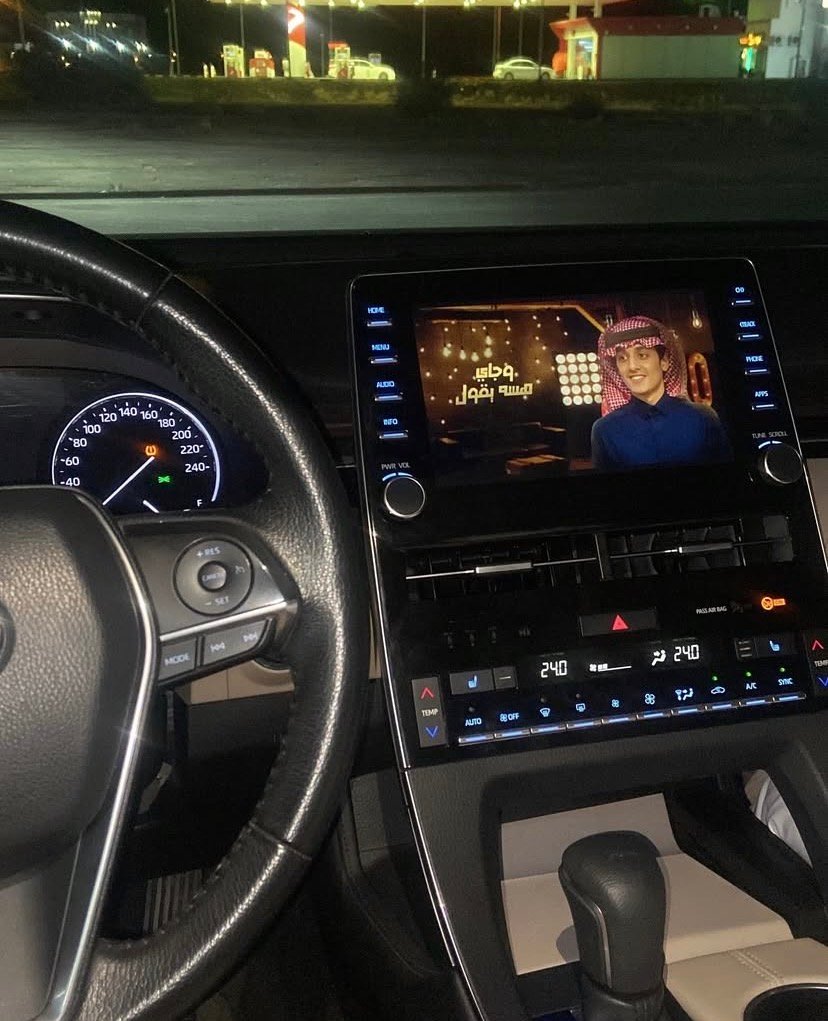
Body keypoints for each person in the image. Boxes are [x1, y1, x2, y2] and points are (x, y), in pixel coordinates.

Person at [590, 315, 731, 472]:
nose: (632, 366)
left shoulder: (702, 417)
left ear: (664, 362)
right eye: (622, 358)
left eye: (642, 355)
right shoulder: (605, 430)